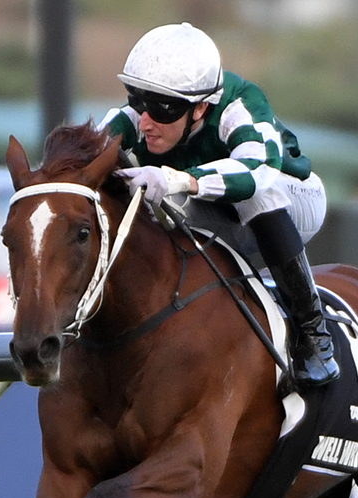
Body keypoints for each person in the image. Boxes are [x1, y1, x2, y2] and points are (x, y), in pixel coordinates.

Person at [102, 22, 339, 387]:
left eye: (161, 108)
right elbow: (86, 149)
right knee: (151, 200)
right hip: (221, 208)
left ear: (200, 108)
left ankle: (313, 333)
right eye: (138, 100)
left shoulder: (239, 106)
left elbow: (256, 171)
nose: (145, 121)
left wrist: (177, 179)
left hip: (295, 200)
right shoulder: (145, 116)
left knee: (254, 194)